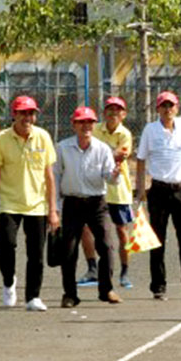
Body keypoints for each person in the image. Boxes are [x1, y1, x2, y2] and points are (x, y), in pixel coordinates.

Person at [0, 95, 60, 311]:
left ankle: (33, 297)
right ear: (14, 115)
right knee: (6, 244)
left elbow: (49, 177)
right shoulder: (0, 140)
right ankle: (9, 282)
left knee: (36, 253)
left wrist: (53, 210)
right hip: (10, 202)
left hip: (37, 204)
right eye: (23, 113)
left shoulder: (43, 137)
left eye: (31, 113)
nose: (28, 117)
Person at [135, 90, 181, 300]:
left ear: (176, 108)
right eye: (164, 106)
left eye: (171, 106)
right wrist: (140, 188)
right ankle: (158, 285)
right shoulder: (150, 130)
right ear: (158, 109)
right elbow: (141, 160)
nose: (168, 110)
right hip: (159, 189)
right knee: (157, 238)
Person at [54, 106, 122, 307]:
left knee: (107, 246)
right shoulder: (63, 148)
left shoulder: (102, 149)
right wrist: (55, 208)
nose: (86, 126)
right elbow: (56, 177)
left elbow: (110, 179)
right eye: (81, 122)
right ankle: (70, 294)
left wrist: (115, 174)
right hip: (72, 202)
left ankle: (106, 289)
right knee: (69, 250)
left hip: (96, 203)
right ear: (74, 125)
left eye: (90, 122)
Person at [79, 96, 136, 289]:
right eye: (110, 109)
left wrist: (99, 154)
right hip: (95, 187)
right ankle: (92, 269)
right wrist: (104, 154)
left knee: (121, 231)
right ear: (104, 113)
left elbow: (119, 155)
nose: (113, 113)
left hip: (118, 189)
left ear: (124, 114)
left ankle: (125, 272)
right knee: (86, 229)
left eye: (117, 110)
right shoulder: (95, 129)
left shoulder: (125, 134)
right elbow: (89, 150)